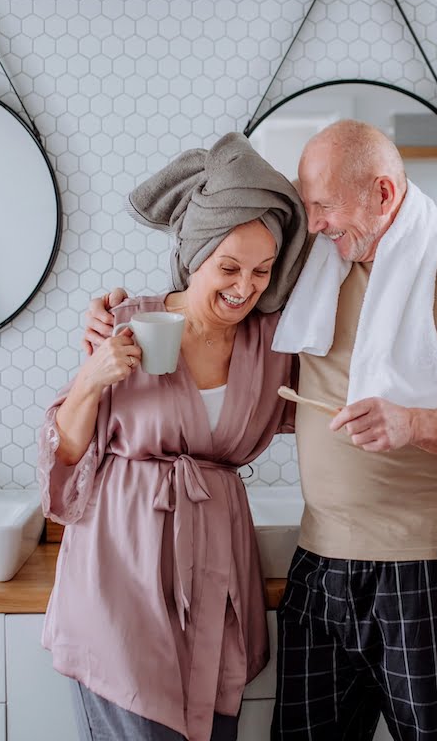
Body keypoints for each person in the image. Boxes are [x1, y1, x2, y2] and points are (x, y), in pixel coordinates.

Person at [86, 120, 437, 741]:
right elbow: (216, 296)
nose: (316, 221)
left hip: (425, 574)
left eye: (325, 205)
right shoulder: (309, 269)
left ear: (382, 193)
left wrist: (413, 423)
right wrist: (117, 312)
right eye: (309, 206)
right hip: (321, 567)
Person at [38, 132, 308, 741]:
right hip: (121, 567)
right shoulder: (127, 322)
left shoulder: (272, 344)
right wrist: (89, 382)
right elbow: (69, 458)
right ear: (194, 256)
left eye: (263, 271)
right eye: (229, 267)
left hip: (215, 570)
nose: (246, 287)